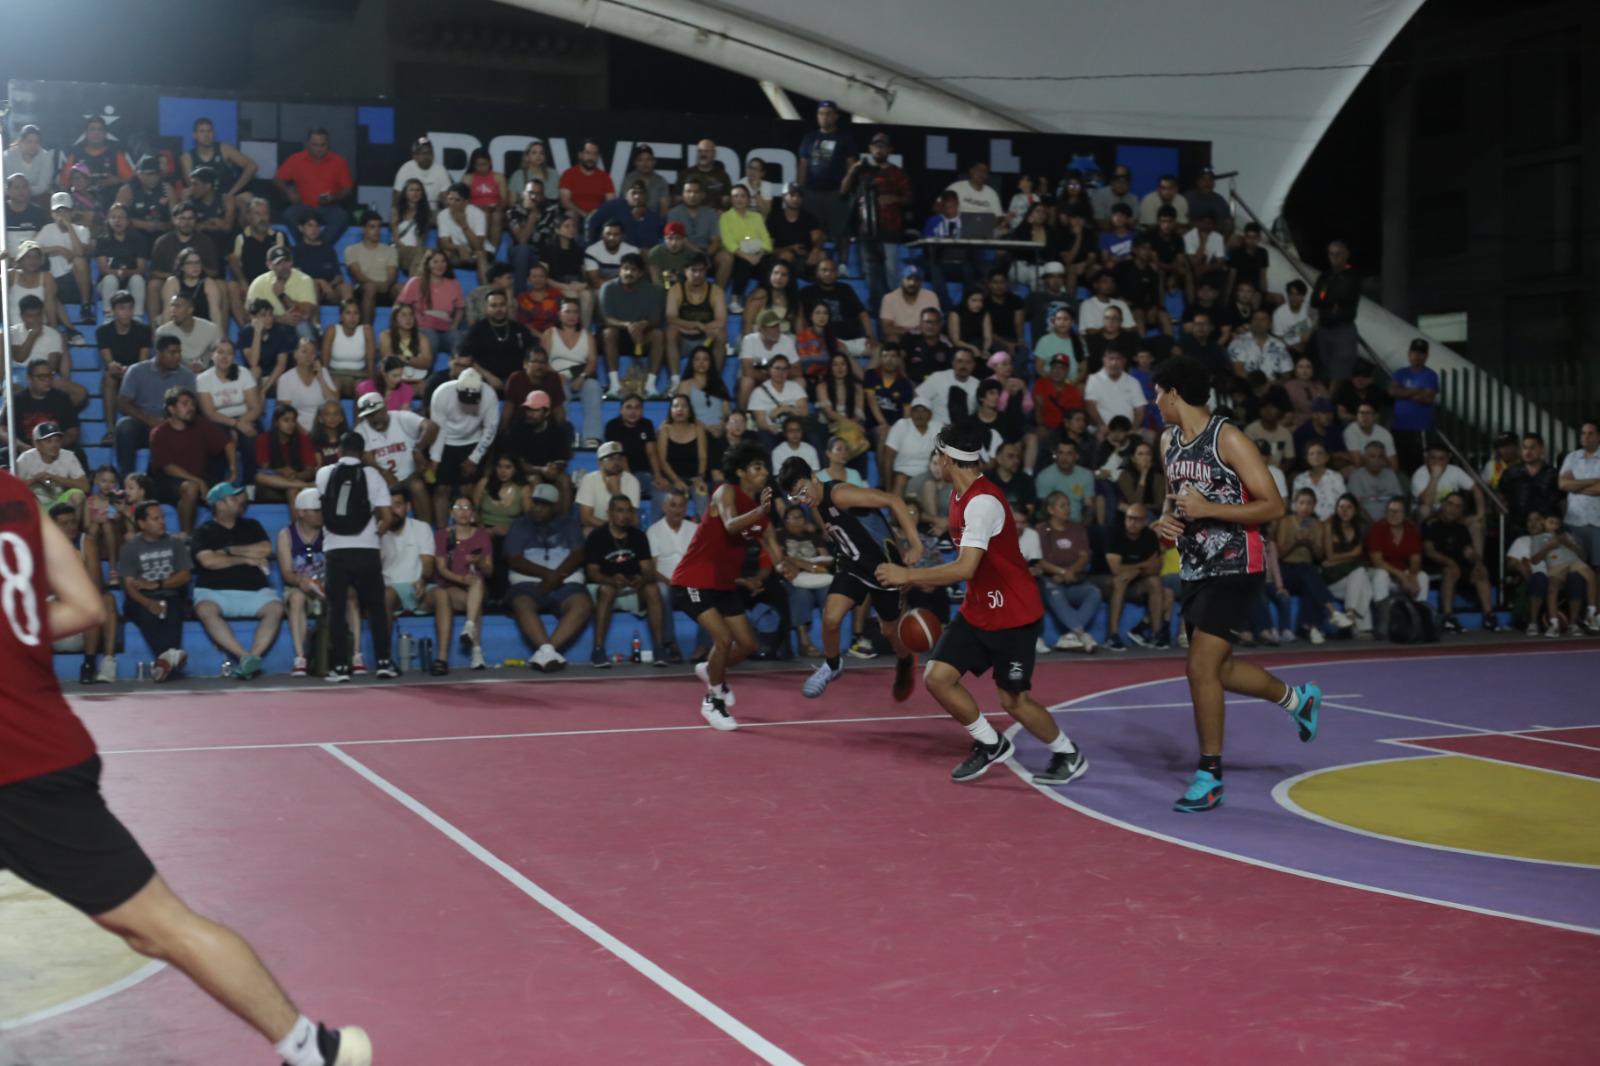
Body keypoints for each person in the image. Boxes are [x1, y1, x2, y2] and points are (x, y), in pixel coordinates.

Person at [0, 467, 372, 1064]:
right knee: (159, 924)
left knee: (158, 924)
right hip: (41, 749)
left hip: (17, 766)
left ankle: (314, 1050)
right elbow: (85, 606)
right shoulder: (12, 492)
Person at [1150, 355, 1321, 813]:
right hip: (1195, 567)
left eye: (1156, 393)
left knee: (1200, 668)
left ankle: (1210, 775)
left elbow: (1273, 507)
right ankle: (1296, 700)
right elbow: (1178, 503)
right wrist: (1166, 522)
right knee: (1219, 670)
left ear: (1173, 392)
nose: (1154, 403)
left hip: (1236, 565)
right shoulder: (1168, 441)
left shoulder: (1228, 438)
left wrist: (1210, 511)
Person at [871, 421, 1086, 784]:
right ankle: (990, 743)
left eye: (936, 455)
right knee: (938, 677)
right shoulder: (958, 494)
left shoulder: (982, 503)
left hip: (1015, 614)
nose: (933, 462)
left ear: (948, 459)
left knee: (1013, 701)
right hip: (980, 608)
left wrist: (908, 576)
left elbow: (966, 567)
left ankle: (1067, 753)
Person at [777, 457, 924, 699]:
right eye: (796, 497)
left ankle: (906, 659)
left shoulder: (840, 494)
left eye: (803, 491)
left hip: (883, 568)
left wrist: (914, 545)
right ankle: (832, 666)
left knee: (889, 631)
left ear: (814, 477)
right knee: (831, 618)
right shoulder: (817, 502)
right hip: (852, 565)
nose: (803, 500)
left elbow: (893, 500)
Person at [668, 443, 787, 729]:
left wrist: (786, 566)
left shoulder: (763, 515)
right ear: (741, 472)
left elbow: (774, 551)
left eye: (764, 467)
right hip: (692, 580)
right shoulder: (725, 492)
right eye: (757, 468)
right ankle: (713, 700)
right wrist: (760, 510)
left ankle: (712, 669)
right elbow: (732, 525)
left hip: (724, 585)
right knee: (723, 639)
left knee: (747, 644)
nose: (764, 473)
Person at [316, 433, 399, 681]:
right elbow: (388, 515)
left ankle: (339, 668)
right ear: (362, 453)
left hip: (335, 551)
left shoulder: (324, 473)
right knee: (376, 607)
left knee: (337, 608)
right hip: (367, 550)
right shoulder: (372, 475)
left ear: (339, 450)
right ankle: (384, 662)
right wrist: (374, 532)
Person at [189, 484, 284, 679]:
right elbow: (208, 561)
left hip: (254, 590)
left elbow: (265, 549)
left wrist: (229, 551)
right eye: (232, 499)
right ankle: (244, 657)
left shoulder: (252, 525)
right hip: (214, 591)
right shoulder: (203, 531)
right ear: (220, 505)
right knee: (206, 609)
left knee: (275, 608)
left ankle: (253, 657)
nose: (239, 501)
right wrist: (247, 559)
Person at [503, 483, 595, 672]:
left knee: (583, 604)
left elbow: (578, 554)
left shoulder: (568, 523)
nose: (538, 509)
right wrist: (548, 576)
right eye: (536, 503)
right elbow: (515, 560)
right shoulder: (520, 524)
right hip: (528, 581)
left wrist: (556, 577)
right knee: (521, 604)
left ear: (555, 507)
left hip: (566, 580)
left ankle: (546, 652)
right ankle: (548, 652)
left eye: (544, 505)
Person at [583, 494, 672, 667]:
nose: (625, 515)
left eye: (628, 511)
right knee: (607, 590)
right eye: (620, 511)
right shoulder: (597, 536)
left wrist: (641, 579)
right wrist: (610, 579)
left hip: (632, 587)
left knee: (653, 589)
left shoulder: (638, 536)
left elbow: (648, 570)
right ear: (609, 513)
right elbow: (592, 572)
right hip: (603, 586)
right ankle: (598, 650)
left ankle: (659, 649)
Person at [117, 500, 191, 680]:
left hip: (170, 593)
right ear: (141, 524)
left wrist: (159, 584)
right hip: (140, 598)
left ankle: (163, 662)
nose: (162, 522)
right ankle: (169, 657)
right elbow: (130, 586)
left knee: (171, 607)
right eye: (156, 518)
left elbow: (185, 576)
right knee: (145, 611)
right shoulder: (130, 548)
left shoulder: (175, 543)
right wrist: (148, 602)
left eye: (163, 518)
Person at [427, 497, 493, 673]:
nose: (463, 511)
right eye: (458, 507)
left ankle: (469, 627)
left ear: (472, 513)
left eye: (467, 508)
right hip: (450, 585)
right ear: (451, 512)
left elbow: (489, 571)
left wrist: (479, 562)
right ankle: (476, 651)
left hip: (475, 587)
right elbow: (441, 569)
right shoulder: (443, 535)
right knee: (472, 600)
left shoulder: (481, 535)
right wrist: (461, 579)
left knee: (477, 585)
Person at [1034, 491, 1101, 652]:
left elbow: (1084, 556)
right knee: (1053, 592)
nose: (1067, 509)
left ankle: (1070, 636)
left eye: (1068, 505)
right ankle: (1081, 634)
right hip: (1052, 580)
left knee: (1094, 593)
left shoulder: (1077, 528)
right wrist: (1062, 572)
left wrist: (1070, 572)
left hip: (1075, 579)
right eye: (1062, 505)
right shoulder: (1041, 530)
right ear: (1051, 510)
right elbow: (1039, 561)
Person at [275, 128, 355, 242]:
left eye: (323, 145)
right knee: (288, 215)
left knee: (342, 217)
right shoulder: (296, 159)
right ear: (308, 144)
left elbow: (347, 189)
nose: (319, 149)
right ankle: (304, 245)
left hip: (328, 207)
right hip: (303, 206)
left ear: (328, 145)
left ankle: (320, 246)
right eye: (315, 145)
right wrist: (288, 191)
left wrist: (333, 198)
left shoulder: (339, 161)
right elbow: (278, 179)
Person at [1364, 495, 1432, 610]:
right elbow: (1378, 562)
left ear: (1405, 515)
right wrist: (1402, 576)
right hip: (1381, 572)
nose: (1393, 514)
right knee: (1381, 575)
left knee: (1423, 577)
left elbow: (1416, 559)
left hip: (1402, 574)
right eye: (1390, 511)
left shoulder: (1411, 529)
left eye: (1397, 511)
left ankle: (1420, 615)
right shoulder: (1377, 528)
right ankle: (1383, 616)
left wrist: (1412, 576)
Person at [1388, 338, 1439, 472]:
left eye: (1421, 353)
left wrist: (1403, 392)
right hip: (1399, 427)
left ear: (1426, 355)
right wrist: (1417, 390)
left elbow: (1427, 399)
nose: (1417, 356)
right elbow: (1393, 391)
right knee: (1400, 464)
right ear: (1409, 354)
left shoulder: (1431, 375)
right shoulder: (1400, 373)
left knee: (1421, 465)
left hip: (1420, 428)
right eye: (1414, 352)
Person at [1557, 418, 1600, 567]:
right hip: (1574, 522)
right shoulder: (1572, 457)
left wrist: (1575, 486)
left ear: (1598, 436)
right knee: (1575, 568)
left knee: (1597, 568)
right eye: (1583, 433)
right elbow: (1562, 484)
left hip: (1598, 522)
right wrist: (1593, 481)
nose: (1586, 437)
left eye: (1590, 433)